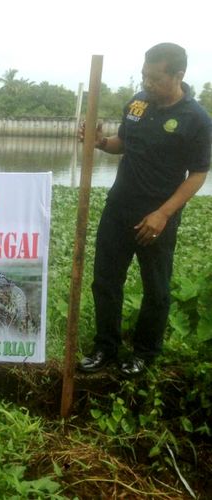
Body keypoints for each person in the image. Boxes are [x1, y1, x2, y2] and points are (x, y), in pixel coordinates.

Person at [78, 43, 212, 376]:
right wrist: (101, 142)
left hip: (156, 217)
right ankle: (105, 348)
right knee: (105, 282)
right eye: (143, 75)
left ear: (178, 75)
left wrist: (163, 214)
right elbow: (123, 143)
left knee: (156, 289)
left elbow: (198, 174)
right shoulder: (136, 104)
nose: (147, 83)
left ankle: (144, 353)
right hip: (118, 207)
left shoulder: (196, 119)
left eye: (154, 78)